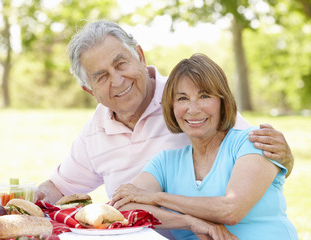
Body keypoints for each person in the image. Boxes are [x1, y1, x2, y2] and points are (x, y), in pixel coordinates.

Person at [35, 20, 294, 237]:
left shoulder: (190, 94)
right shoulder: (160, 159)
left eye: (121, 63)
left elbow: (256, 157)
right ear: (88, 90)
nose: (192, 108)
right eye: (101, 76)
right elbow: (73, 191)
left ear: (140, 56)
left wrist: (285, 160)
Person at [111, 54, 298, 239]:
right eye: (182, 98)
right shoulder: (165, 162)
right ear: (172, 107)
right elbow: (122, 208)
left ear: (222, 101)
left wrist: (156, 198)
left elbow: (231, 210)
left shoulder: (253, 142)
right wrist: (190, 222)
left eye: (204, 96)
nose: (193, 109)